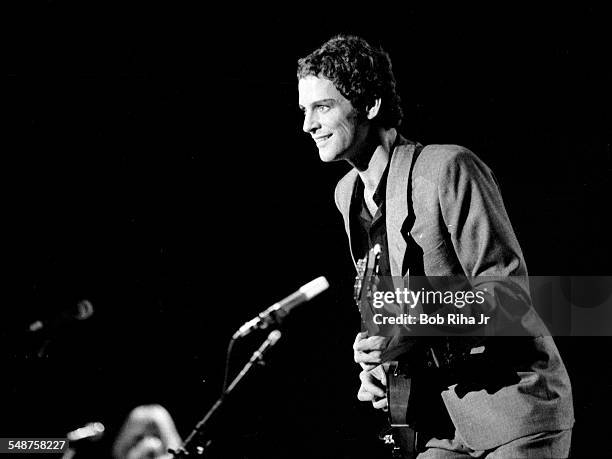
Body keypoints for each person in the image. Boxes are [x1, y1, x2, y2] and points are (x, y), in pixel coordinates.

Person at [297, 35, 574, 457]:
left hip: (510, 409)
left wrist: (407, 326)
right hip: (434, 421)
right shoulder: (346, 194)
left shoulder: (448, 167)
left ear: (370, 105)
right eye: (304, 110)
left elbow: (508, 297)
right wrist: (379, 362)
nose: (308, 125)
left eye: (323, 107)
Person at [113, 404, 182, 459]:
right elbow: (119, 451)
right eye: (139, 438)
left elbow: (174, 447)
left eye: (156, 435)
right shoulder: (137, 414)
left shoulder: (160, 414)